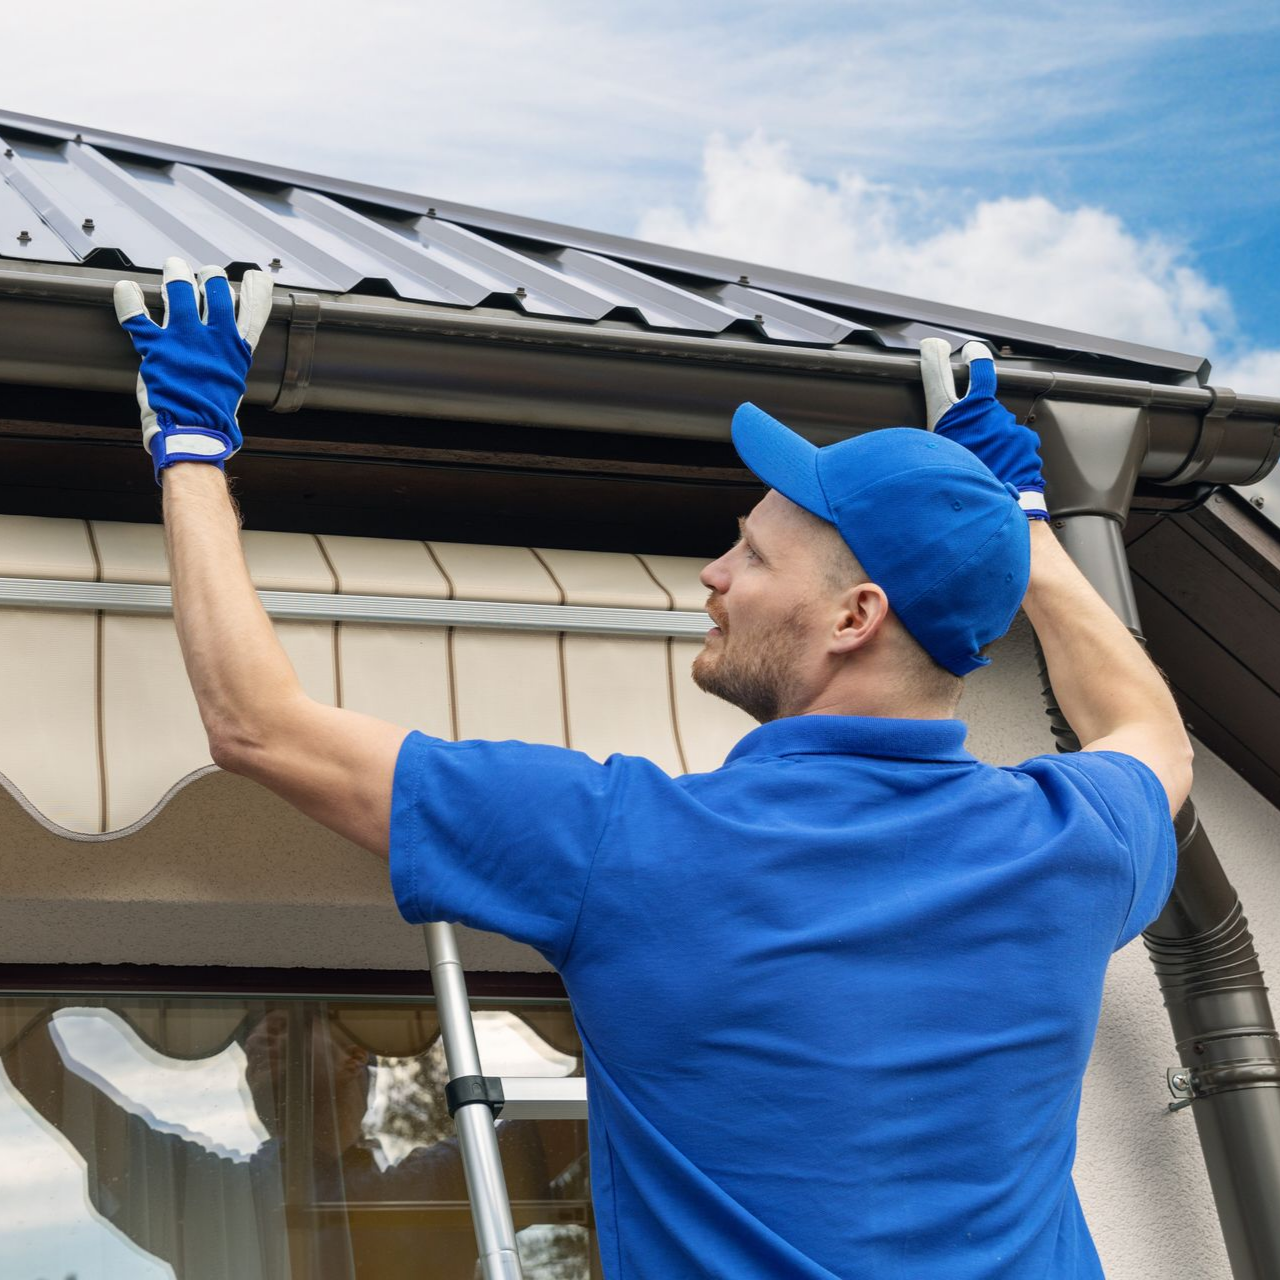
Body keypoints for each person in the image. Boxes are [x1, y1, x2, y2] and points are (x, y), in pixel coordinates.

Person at [112, 259, 1188, 1279]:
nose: (714, 574)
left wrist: (193, 448)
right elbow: (1150, 731)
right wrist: (1022, 533)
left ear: (855, 617)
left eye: (754, 555)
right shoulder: (1069, 843)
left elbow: (257, 724)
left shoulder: (629, 846)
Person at [1, 1003, 578, 1279]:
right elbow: (46, 1078)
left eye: (281, 1022)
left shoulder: (436, 1190)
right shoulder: (214, 1199)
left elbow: (578, 1114)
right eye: (248, 1031)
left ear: (357, 1053)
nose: (254, 1040)